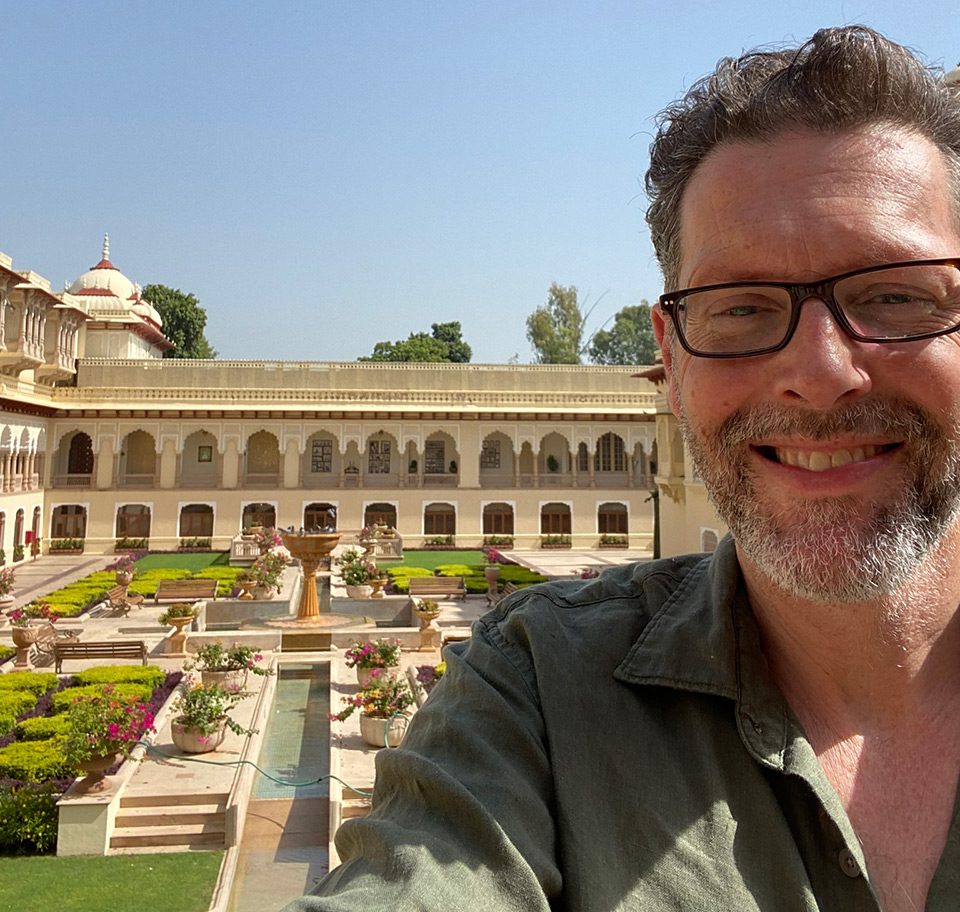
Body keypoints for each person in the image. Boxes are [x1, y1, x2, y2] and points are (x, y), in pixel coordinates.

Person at [285, 26, 960, 911]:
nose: (822, 374)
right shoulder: (537, 694)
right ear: (670, 361)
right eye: (742, 307)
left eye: (895, 294)